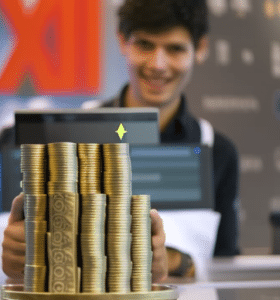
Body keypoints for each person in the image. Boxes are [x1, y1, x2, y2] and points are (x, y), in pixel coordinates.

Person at [1, 0, 240, 282]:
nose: (158, 64)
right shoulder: (52, 139)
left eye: (175, 48)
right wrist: (14, 254)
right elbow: (14, 248)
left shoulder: (219, 152)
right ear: (122, 41)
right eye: (145, 45)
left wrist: (177, 261)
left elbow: (226, 268)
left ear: (200, 49)